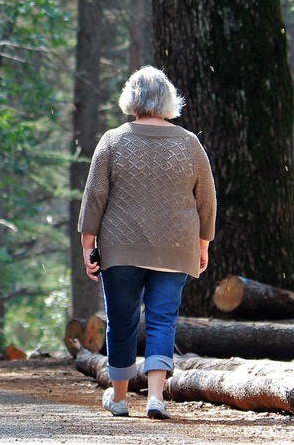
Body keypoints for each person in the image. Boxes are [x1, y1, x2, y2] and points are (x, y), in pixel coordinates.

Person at [77, 66, 216, 419]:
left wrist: (87, 245)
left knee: (121, 321)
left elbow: (95, 196)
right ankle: (156, 397)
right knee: (161, 320)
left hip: (120, 247)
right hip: (175, 246)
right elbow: (207, 201)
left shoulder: (112, 140)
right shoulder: (190, 143)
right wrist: (203, 245)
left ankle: (120, 398)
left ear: (131, 98)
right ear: (168, 101)